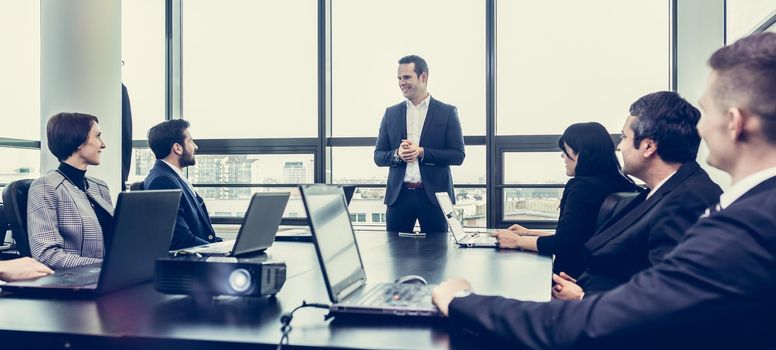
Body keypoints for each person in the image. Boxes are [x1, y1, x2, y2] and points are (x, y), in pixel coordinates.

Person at [432, 32, 776, 349]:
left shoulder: (741, 222)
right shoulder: (715, 200)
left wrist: (464, 302)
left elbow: (646, 317)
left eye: (708, 109)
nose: (700, 126)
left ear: (734, 121)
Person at [549, 91, 722, 298]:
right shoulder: (661, 191)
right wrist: (583, 287)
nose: (620, 146)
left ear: (648, 146)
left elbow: (668, 296)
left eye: (624, 137)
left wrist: (582, 298)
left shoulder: (688, 200)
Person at [494, 122, 640, 277]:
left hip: (568, 279)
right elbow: (581, 236)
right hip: (599, 275)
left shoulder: (583, 187)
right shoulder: (623, 185)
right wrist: (529, 233)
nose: (562, 155)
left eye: (566, 150)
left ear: (582, 152)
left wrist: (517, 242)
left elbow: (564, 244)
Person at [374, 55, 465, 233]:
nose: (401, 82)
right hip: (399, 198)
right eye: (399, 78)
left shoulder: (447, 112)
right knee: (395, 256)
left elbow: (458, 155)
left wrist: (422, 152)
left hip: (434, 198)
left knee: (438, 256)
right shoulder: (390, 113)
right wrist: (397, 155)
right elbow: (378, 156)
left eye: (407, 77)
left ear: (423, 77)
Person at [27, 112, 114, 269]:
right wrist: (105, 267)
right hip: (73, 284)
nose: (103, 144)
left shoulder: (100, 187)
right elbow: (45, 255)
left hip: (111, 280)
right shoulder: (45, 187)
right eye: (98, 136)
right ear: (79, 141)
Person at [145, 119, 221, 250]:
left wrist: (226, 245)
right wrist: (218, 250)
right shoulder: (162, 181)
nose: (195, 146)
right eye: (190, 141)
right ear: (177, 148)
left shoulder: (172, 177)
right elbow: (180, 239)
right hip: (189, 264)